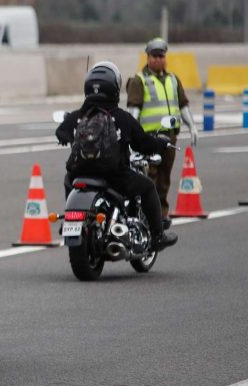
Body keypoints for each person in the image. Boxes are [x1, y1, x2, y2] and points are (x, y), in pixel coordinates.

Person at [55, 61, 178, 251]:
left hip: (79, 173)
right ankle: (157, 236)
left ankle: (71, 219)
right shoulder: (121, 117)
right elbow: (144, 144)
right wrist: (161, 143)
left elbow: (61, 132)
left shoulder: (78, 116)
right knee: (147, 187)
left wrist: (66, 136)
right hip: (113, 175)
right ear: (114, 88)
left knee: (67, 180)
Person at [125, 38, 199, 224]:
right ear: (147, 57)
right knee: (149, 176)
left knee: (164, 178)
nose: (158, 59)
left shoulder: (173, 79)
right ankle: (147, 216)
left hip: (169, 138)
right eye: (154, 56)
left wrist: (192, 126)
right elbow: (134, 109)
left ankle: (161, 215)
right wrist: (130, 134)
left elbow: (183, 105)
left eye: (161, 56)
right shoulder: (139, 80)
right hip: (149, 138)